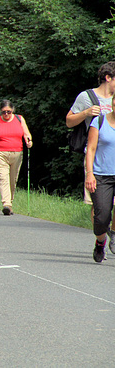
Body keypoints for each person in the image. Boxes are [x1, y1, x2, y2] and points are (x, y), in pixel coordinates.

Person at [67, 61, 115, 250]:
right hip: (96, 159)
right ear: (108, 78)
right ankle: (101, 235)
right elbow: (69, 121)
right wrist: (86, 113)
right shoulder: (87, 97)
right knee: (100, 209)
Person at [0, 100, 33, 215]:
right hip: (0, 153)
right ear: (0, 111)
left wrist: (29, 141)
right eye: (4, 112)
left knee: (13, 180)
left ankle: (9, 203)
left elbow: (26, 134)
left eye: (9, 112)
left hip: (17, 154)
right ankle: (6, 204)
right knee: (3, 178)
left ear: (13, 111)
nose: (6, 114)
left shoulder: (19, 119)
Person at [85, 96, 115, 262]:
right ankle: (101, 241)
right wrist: (90, 173)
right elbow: (91, 148)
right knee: (102, 216)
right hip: (102, 174)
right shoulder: (99, 121)